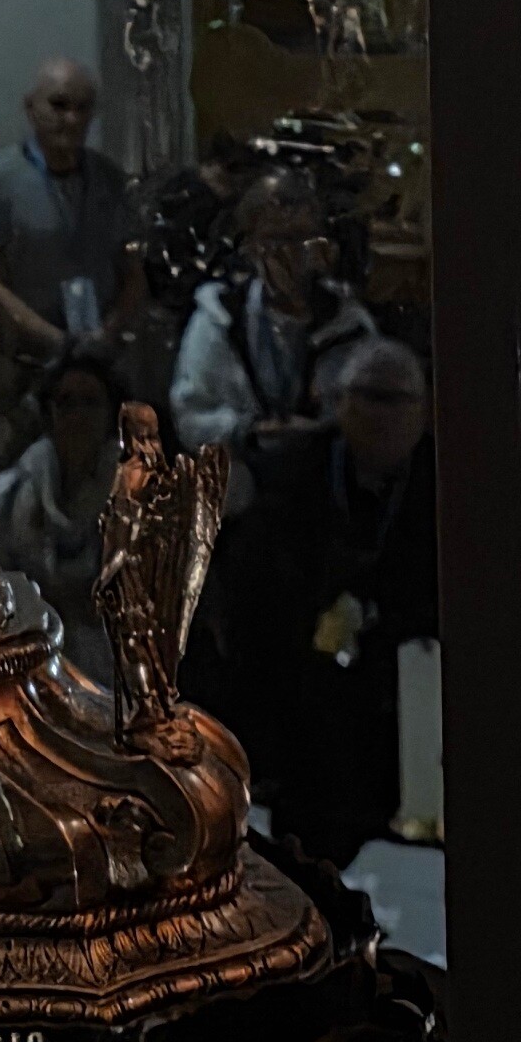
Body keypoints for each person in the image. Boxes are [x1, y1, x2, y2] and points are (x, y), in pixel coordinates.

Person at [193, 335, 438, 868]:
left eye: (396, 400)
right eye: (368, 397)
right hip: (303, 698)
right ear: (339, 403)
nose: (381, 414)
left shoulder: (445, 485)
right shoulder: (290, 473)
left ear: (423, 412)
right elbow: (254, 592)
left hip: (405, 694)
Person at [168, 164, 374, 497]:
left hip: (329, 493)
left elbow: (375, 416)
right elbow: (191, 415)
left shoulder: (349, 325)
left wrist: (327, 430)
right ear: (251, 247)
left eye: (303, 239)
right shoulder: (218, 318)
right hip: (241, 493)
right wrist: (247, 431)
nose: (292, 253)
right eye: (276, 240)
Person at [0, 57, 140, 463]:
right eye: (60, 105)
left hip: (98, 370)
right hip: (27, 370)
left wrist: (108, 332)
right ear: (32, 108)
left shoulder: (109, 179)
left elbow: (133, 271)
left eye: (83, 108)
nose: (72, 120)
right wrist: (51, 337)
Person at [0, 348, 124, 676]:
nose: (78, 415)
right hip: (30, 659)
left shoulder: (132, 498)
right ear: (49, 413)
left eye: (90, 403)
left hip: (111, 663)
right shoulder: (12, 497)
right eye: (66, 402)